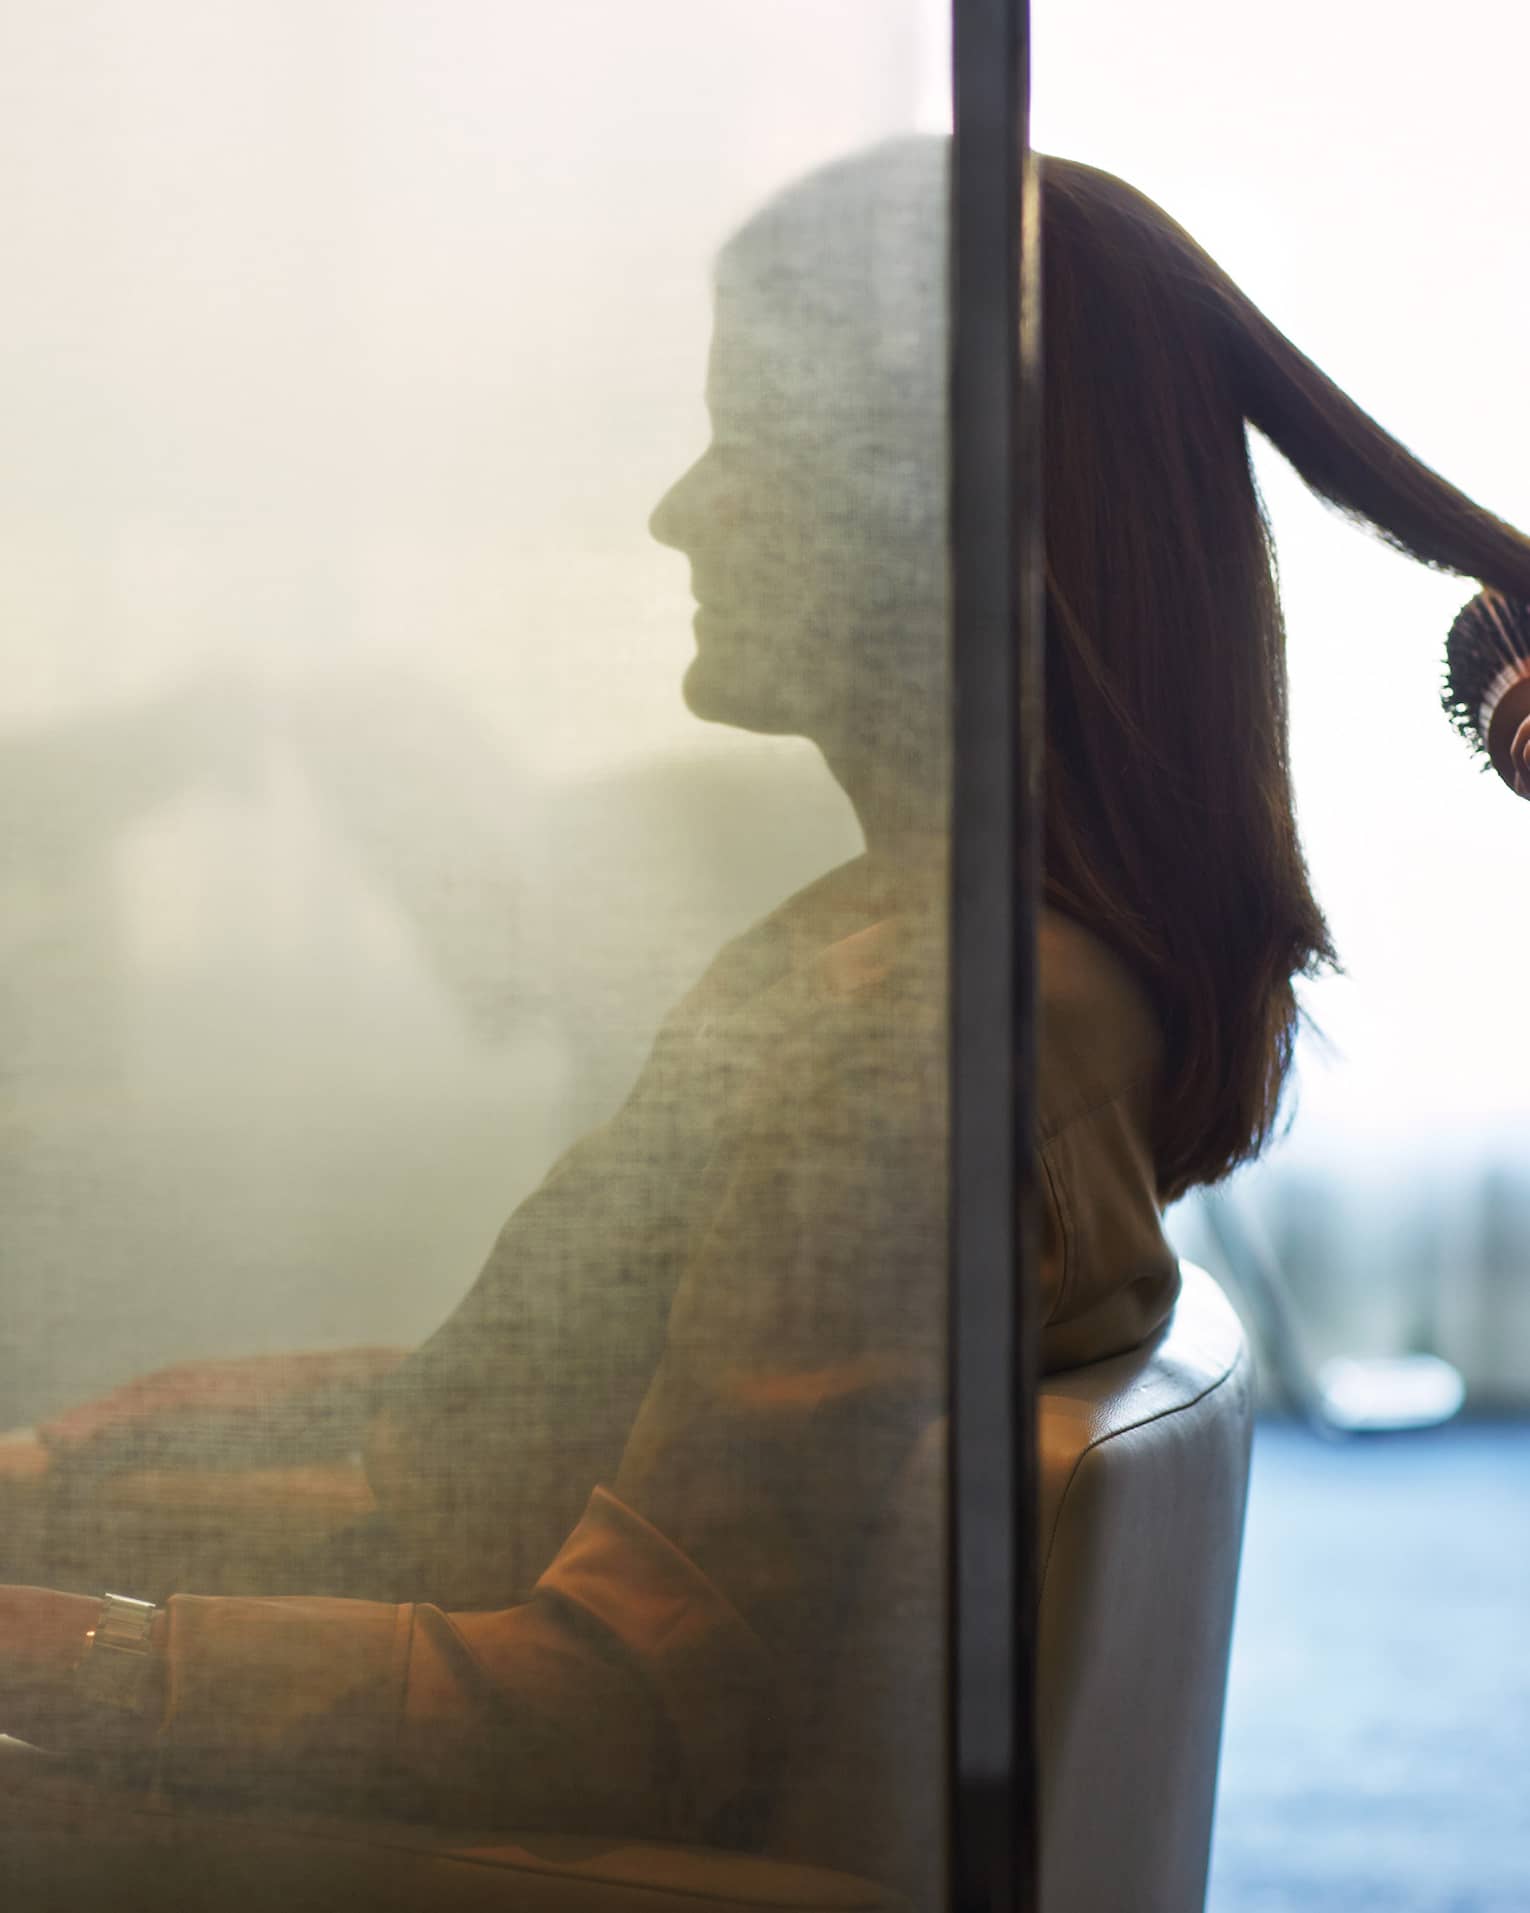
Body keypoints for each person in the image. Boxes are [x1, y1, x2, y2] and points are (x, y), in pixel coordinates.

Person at [5, 132, 1530, 1886]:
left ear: (932, 496)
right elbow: (463, 1437)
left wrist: (69, 1644)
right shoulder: (967, 957)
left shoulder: (916, 1026)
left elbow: (619, 1703)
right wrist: (51, 1475)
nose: (680, 506)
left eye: (748, 436)